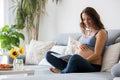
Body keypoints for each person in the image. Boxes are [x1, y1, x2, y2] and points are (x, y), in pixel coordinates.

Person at [45, 7, 108, 73]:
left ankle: (62, 72)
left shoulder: (101, 32)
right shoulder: (87, 32)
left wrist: (82, 60)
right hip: (77, 62)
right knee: (49, 54)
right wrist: (69, 59)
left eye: (89, 19)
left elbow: (97, 55)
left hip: (92, 65)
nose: (86, 22)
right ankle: (68, 68)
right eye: (84, 19)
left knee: (75, 58)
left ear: (94, 18)